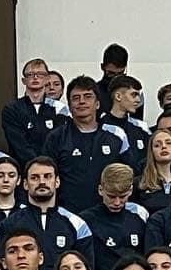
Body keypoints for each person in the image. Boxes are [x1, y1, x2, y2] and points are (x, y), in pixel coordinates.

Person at [43, 76, 129, 213]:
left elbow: (129, 173)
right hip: (68, 215)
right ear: (70, 106)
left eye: (88, 96)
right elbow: (47, 177)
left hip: (108, 215)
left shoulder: (116, 135)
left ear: (98, 104)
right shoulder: (56, 137)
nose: (82, 101)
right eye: (76, 98)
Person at [80, 162, 149, 270]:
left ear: (130, 190)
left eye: (122, 197)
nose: (117, 202)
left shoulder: (140, 215)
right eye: (111, 196)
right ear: (101, 190)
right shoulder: (85, 220)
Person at [1, 57, 65, 166]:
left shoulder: (59, 108)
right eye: (30, 75)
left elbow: (61, 141)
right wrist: (37, 165)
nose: (35, 78)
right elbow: (19, 145)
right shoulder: (12, 109)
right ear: (23, 80)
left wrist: (49, 166)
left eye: (40, 74)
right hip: (24, 169)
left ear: (47, 78)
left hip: (54, 169)